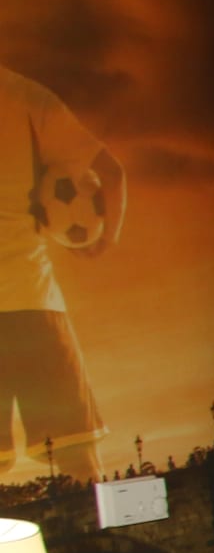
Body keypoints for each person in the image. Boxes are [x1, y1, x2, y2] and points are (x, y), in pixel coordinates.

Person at [2, 64, 120, 483]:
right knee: (77, 461)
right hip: (33, 304)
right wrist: (103, 240)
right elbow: (112, 173)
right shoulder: (26, 97)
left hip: (33, 301)